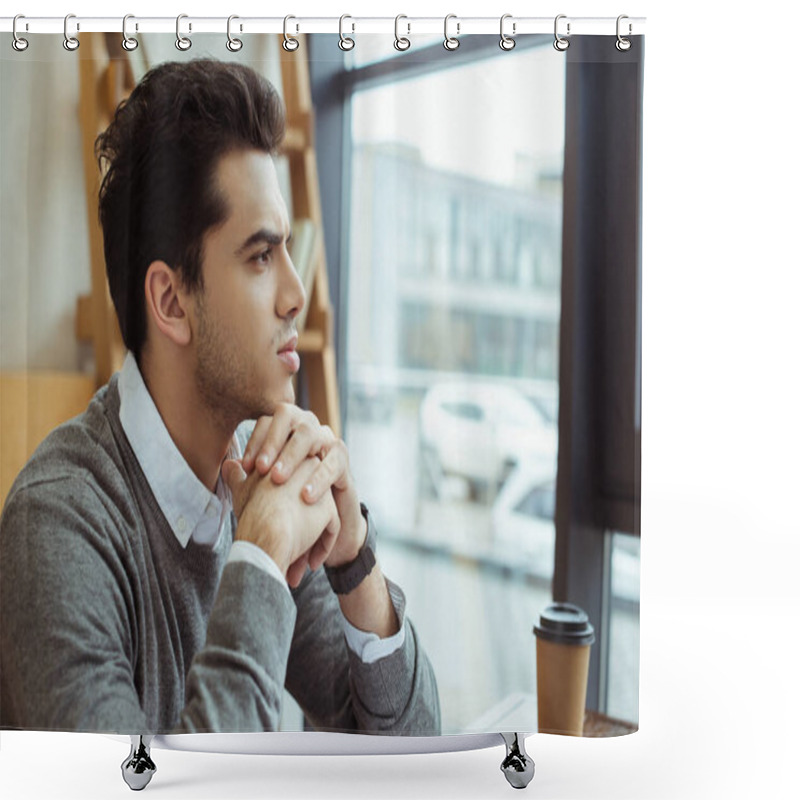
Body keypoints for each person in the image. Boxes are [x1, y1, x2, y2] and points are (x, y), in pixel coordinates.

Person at [0, 59, 440, 736]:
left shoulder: (255, 472)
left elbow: (410, 743)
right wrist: (259, 558)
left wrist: (353, 556)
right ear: (172, 301)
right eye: (261, 256)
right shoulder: (56, 526)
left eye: (288, 251)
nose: (296, 294)